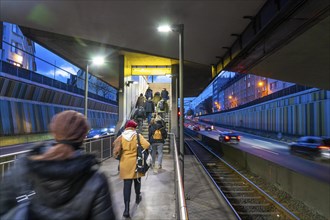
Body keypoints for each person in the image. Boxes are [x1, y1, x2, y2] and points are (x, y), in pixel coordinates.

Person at [0, 110, 115, 220]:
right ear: (84, 135)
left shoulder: (26, 165)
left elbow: (4, 204)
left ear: (54, 132)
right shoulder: (96, 180)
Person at [113, 120, 150, 218]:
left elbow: (115, 148)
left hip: (125, 163)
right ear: (133, 127)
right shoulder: (137, 136)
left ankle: (126, 209)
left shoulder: (121, 136)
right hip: (136, 162)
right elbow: (147, 145)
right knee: (137, 181)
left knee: (127, 185)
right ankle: (138, 197)